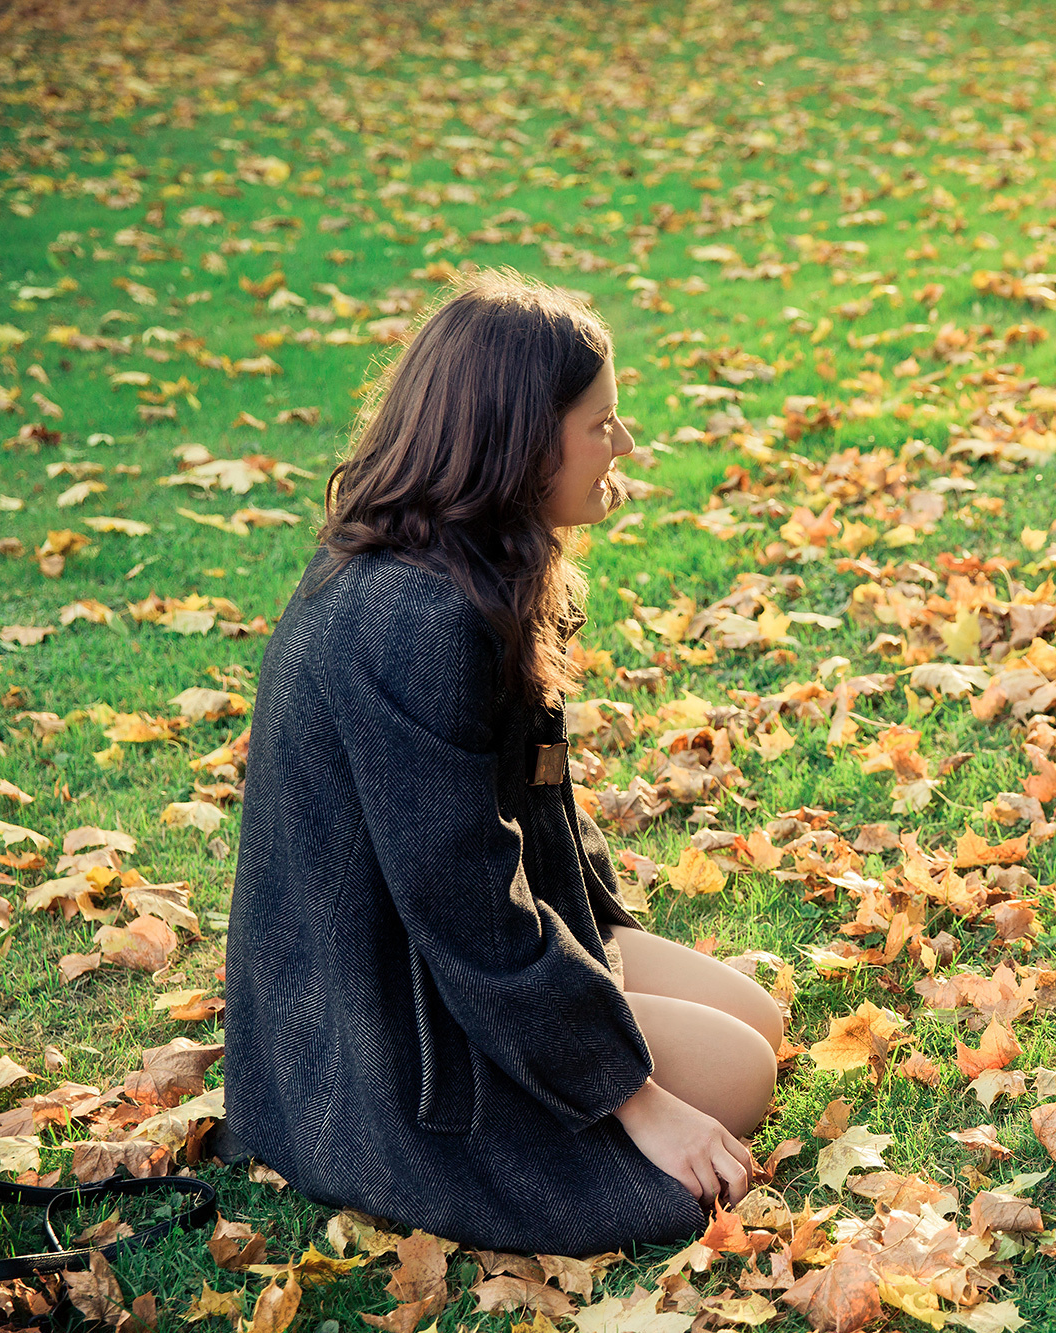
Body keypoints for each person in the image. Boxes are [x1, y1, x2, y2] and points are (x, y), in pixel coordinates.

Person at [224, 270, 783, 1255]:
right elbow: (467, 911)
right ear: (522, 445)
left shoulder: (461, 563)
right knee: (741, 1073)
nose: (625, 444)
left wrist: (595, 956)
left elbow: (526, 815)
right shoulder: (413, 620)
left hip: (434, 955)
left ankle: (593, 1030)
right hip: (382, 1030)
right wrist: (635, 1096)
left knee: (757, 1020)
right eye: (601, 424)